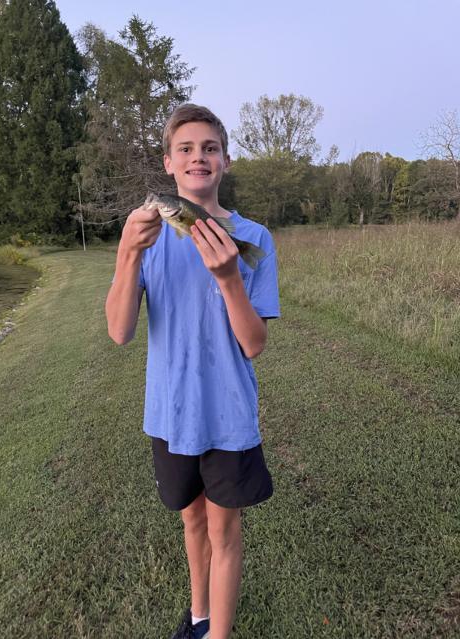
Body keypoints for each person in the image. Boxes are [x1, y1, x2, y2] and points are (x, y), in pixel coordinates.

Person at [105, 103, 280, 639]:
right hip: (170, 414)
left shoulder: (254, 238)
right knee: (192, 519)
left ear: (225, 160)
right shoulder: (148, 238)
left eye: (209, 148)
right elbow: (119, 331)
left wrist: (228, 276)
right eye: (185, 148)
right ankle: (199, 615)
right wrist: (127, 255)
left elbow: (254, 345)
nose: (197, 157)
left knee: (224, 530)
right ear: (168, 164)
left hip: (227, 413)